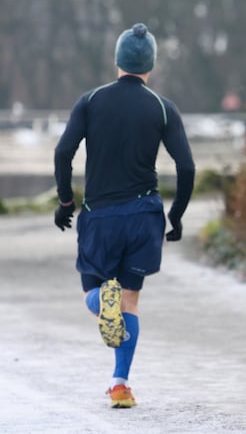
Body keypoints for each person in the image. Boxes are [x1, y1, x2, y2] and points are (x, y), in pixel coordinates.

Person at [54, 23, 195, 408]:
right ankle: (120, 384)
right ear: (150, 64)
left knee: (94, 292)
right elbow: (186, 167)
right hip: (144, 215)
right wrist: (176, 214)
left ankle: (103, 301)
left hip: (100, 216)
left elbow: (63, 152)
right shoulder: (163, 109)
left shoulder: (90, 101)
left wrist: (66, 201)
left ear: (117, 60)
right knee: (130, 300)